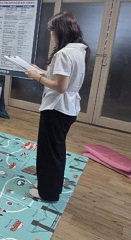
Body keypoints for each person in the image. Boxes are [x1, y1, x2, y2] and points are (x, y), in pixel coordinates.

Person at [25, 12, 88, 202]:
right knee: (55, 151)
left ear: (59, 31)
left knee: (49, 153)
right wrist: (41, 71)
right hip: (67, 108)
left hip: (56, 108)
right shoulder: (78, 50)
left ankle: (48, 193)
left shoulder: (63, 54)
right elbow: (62, 78)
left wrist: (37, 77)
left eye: (52, 30)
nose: (51, 34)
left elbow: (60, 86)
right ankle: (50, 186)